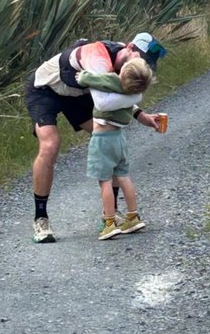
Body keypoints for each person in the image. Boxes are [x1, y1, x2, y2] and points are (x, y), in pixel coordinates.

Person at [25, 31, 166, 242]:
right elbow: (103, 102)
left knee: (109, 136)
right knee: (50, 144)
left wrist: (140, 115)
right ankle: (41, 218)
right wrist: (137, 100)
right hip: (46, 89)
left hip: (80, 93)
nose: (143, 67)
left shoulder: (126, 61)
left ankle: (111, 214)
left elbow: (118, 89)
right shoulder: (97, 57)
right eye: (143, 60)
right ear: (130, 47)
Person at [76, 57, 154, 239]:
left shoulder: (113, 81)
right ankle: (133, 216)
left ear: (124, 73)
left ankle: (109, 222)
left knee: (105, 181)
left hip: (102, 139)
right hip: (119, 138)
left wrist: (82, 76)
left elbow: (93, 80)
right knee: (124, 177)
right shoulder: (131, 92)